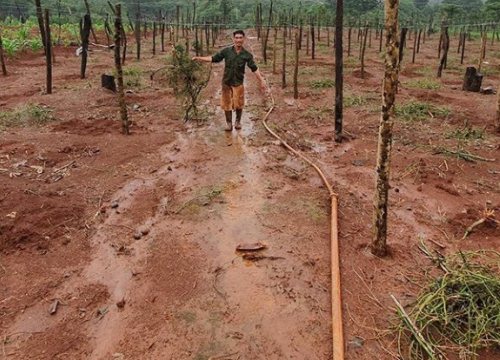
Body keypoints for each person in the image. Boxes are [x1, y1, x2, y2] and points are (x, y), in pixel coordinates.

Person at [192, 30, 266, 131]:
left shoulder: (247, 55)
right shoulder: (226, 51)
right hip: (226, 82)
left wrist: (262, 80)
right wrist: (199, 58)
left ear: (244, 39)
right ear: (233, 39)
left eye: (240, 38)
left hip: (238, 83)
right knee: (226, 103)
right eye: (237, 38)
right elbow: (214, 58)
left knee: (239, 103)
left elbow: (254, 68)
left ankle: (238, 122)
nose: (238, 40)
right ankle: (229, 124)